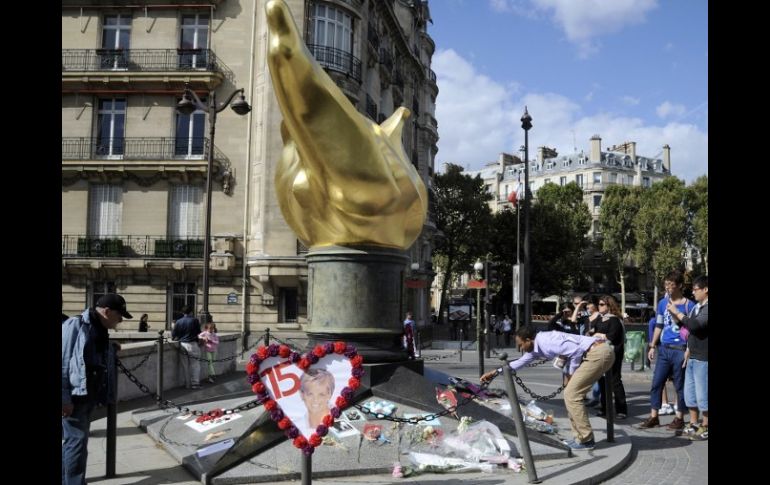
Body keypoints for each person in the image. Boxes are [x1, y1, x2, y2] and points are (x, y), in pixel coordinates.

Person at [480, 325, 614, 450]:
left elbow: (576, 350)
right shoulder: (535, 347)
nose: (520, 348)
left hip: (597, 353)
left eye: (521, 344)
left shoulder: (546, 341)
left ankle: (586, 440)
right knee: (570, 394)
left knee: (572, 395)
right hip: (594, 353)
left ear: (528, 340)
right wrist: (495, 372)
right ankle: (580, 438)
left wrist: (570, 374)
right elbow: (518, 363)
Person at [62, 293, 133, 485]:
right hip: (75, 397)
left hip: (88, 394)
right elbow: (63, 362)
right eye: (119, 316)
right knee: (76, 443)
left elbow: (89, 353)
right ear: (107, 311)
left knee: (74, 443)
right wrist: (64, 398)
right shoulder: (75, 325)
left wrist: (110, 348)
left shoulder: (99, 329)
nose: (120, 321)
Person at [639, 270, 695, 430]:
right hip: (664, 348)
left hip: (680, 348)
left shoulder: (689, 305)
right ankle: (654, 416)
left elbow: (690, 329)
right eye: (666, 285)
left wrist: (676, 314)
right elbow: (659, 325)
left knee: (679, 385)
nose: (668, 288)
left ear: (680, 286)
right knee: (657, 383)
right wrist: (652, 345)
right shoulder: (662, 303)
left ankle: (679, 418)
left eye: (671, 285)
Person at [668, 275, 708, 440]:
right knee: (690, 394)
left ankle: (705, 426)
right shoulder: (697, 307)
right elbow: (686, 328)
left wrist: (678, 312)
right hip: (692, 355)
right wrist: (673, 315)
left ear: (706, 289)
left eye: (696, 289)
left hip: (703, 358)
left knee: (703, 395)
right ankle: (693, 424)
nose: (693, 292)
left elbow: (696, 325)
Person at [593, 295, 628, 420]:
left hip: (613, 353)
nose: (599, 306)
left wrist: (599, 335)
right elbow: (592, 330)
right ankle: (605, 408)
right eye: (599, 304)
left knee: (615, 381)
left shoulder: (614, 320)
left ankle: (621, 409)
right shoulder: (600, 318)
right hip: (600, 353)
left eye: (602, 304)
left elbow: (612, 336)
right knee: (602, 381)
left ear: (609, 306)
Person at [171, 306, 202, 389]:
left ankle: (187, 384)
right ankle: (195, 383)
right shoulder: (194, 320)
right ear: (191, 312)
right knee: (195, 364)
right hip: (192, 344)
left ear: (182, 313)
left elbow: (173, 335)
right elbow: (198, 332)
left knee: (185, 365)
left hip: (182, 344)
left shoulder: (178, 321)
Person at [300, 368, 335, 432]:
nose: (315, 400)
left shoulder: (336, 416)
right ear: (302, 394)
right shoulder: (299, 422)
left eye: (321, 394)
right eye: (310, 394)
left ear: (329, 394)